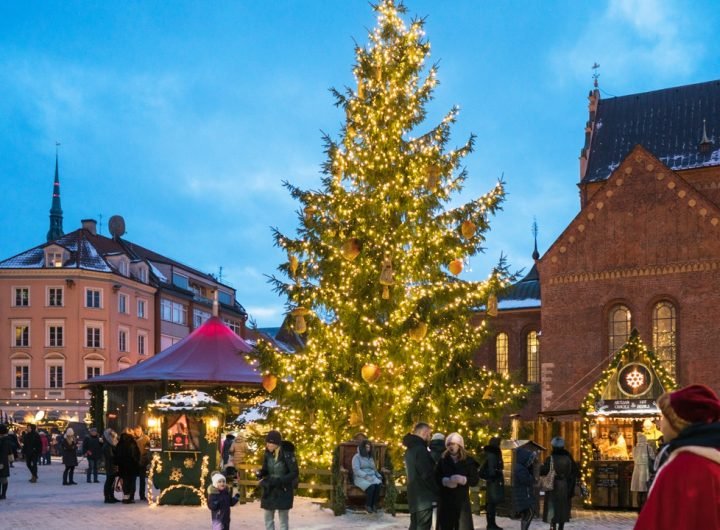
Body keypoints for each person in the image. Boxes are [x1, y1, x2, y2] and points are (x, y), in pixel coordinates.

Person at [635, 384, 720, 530]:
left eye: (663, 417)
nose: (660, 423)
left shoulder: (682, 468)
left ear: (678, 422)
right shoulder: (710, 459)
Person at [435, 432, 479, 530]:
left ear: (459, 445)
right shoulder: (443, 460)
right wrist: (445, 481)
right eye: (449, 444)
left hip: (462, 501)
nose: (451, 447)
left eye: (453, 444)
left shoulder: (469, 460)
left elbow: (475, 480)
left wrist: (463, 479)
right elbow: (436, 477)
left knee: (462, 525)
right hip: (446, 500)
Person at [258, 430, 299, 530]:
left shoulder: (287, 454)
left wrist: (280, 480)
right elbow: (265, 469)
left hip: (283, 489)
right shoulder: (267, 454)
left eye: (270, 443)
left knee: (283, 520)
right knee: (268, 518)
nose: (268, 445)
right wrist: (261, 473)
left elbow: (294, 472)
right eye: (267, 442)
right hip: (270, 489)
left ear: (276, 443)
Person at [402, 422, 439, 530]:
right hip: (424, 497)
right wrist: (437, 490)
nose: (430, 437)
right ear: (424, 432)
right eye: (429, 434)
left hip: (414, 496)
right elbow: (426, 474)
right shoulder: (421, 450)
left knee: (414, 526)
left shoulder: (410, 450)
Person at [539, 436, 577, 530]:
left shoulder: (550, 458)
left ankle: (552, 526)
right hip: (564, 486)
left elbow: (544, 471)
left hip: (552, 485)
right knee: (563, 507)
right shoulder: (568, 459)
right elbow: (570, 472)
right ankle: (561, 526)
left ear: (553, 446)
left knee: (552, 506)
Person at [352, 438, 383, 513]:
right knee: (371, 487)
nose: (368, 449)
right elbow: (356, 470)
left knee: (378, 485)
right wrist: (365, 476)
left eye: (369, 447)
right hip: (360, 477)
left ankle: (374, 505)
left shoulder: (370, 457)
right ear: (362, 447)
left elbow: (374, 468)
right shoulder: (356, 457)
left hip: (371, 476)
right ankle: (368, 505)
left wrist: (378, 475)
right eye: (366, 447)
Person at [512, 446, 537, 530]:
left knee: (527, 513)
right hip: (524, 495)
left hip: (523, 494)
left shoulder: (520, 467)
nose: (530, 462)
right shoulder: (520, 469)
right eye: (529, 459)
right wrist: (531, 477)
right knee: (530, 512)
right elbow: (526, 480)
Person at [483, 436, 505, 530]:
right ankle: (491, 525)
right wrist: (495, 475)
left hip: (493, 481)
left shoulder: (491, 453)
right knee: (491, 503)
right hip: (493, 481)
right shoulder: (493, 454)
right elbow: (492, 469)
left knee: (491, 503)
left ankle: (492, 524)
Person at [116, 427, 141, 503]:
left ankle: (125, 497)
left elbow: (117, 453)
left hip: (122, 465)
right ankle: (130, 497)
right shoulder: (132, 442)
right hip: (131, 465)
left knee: (125, 481)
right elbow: (134, 454)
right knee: (131, 481)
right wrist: (136, 461)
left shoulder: (120, 441)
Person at [630, 433, 654, 510]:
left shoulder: (635, 448)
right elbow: (653, 457)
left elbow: (633, 458)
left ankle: (639, 508)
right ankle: (645, 508)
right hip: (645, 470)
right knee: (645, 490)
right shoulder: (648, 447)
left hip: (637, 470)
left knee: (639, 491)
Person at [102, 428, 119, 504]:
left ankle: (111, 496)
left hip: (113, 465)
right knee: (109, 481)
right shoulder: (107, 445)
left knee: (112, 481)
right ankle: (107, 497)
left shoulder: (111, 444)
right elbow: (110, 456)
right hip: (110, 465)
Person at [134, 425, 151, 500]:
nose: (137, 433)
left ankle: (142, 495)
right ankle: (132, 494)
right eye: (136, 431)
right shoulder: (132, 438)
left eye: (138, 431)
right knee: (133, 479)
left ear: (141, 431)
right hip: (134, 461)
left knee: (142, 480)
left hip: (142, 461)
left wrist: (146, 459)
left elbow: (148, 449)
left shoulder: (146, 438)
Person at [0, 424, 12, 499]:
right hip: (3, 461)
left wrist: (1, 462)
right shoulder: (6, 439)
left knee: (3, 478)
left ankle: (3, 494)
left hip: (2, 462)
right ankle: (3, 494)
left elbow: (3, 452)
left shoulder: (4, 440)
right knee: (2, 478)